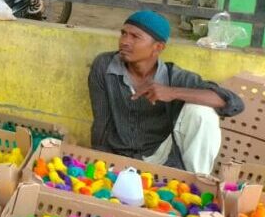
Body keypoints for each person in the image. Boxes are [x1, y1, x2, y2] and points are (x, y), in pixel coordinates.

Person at [88, 10, 244, 175]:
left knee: (202, 112)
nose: (125, 42)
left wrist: (172, 92)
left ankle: (197, 183)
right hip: (118, 157)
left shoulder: (174, 77)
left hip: (160, 157)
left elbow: (233, 103)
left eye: (135, 37)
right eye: (123, 34)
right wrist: (100, 162)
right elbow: (101, 122)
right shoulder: (105, 66)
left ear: (158, 47)